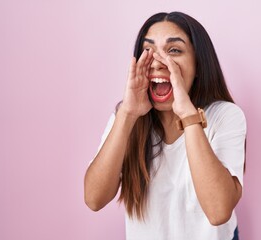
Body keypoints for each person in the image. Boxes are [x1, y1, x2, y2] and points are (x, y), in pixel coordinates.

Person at [84, 11, 246, 240]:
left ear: (198, 65)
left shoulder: (225, 115)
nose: (158, 61)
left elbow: (219, 211)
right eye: (148, 51)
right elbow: (94, 198)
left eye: (174, 50)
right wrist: (127, 114)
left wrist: (188, 114)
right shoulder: (126, 117)